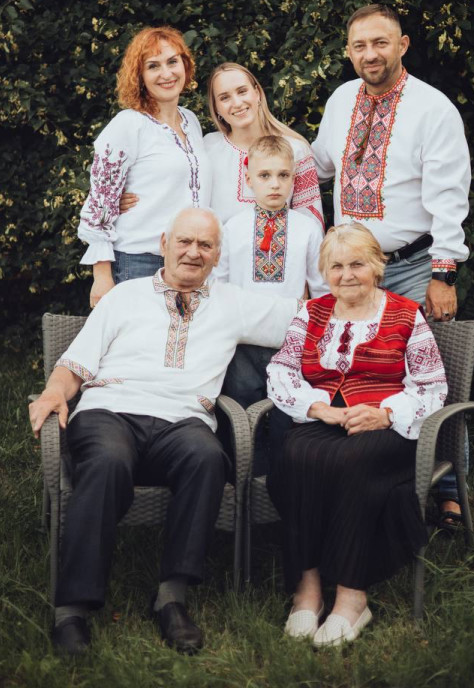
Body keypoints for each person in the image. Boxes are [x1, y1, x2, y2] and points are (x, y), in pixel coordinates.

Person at [29, 208, 299, 656]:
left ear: (217, 255)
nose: (193, 252)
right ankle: (72, 610)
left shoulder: (233, 303)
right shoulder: (125, 296)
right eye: (184, 241)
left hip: (184, 421)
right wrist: (55, 391)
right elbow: (75, 363)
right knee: (107, 461)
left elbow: (312, 317)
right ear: (164, 244)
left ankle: (172, 597)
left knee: (207, 457)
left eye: (205, 245)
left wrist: (387, 307)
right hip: (110, 411)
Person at [310, 3, 470, 526]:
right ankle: (369, 480)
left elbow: (449, 199)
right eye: (360, 45)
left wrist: (443, 274)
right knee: (352, 370)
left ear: (402, 45)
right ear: (348, 51)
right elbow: (317, 165)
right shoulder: (341, 100)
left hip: (411, 265)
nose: (370, 54)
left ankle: (448, 491)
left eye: (380, 43)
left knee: (432, 374)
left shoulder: (433, 109)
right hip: (348, 270)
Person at [266, 223, 447, 647]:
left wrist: (386, 414)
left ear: (377, 267)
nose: (346, 275)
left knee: (351, 461)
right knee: (294, 454)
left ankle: (352, 596)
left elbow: (432, 386)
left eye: (357, 265)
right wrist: (317, 408)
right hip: (327, 419)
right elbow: (281, 371)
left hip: (389, 428)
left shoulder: (406, 314)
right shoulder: (310, 314)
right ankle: (308, 588)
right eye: (336, 266)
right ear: (325, 272)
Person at [77, 26, 211, 309]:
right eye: (153, 66)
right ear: (139, 76)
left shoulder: (191, 121)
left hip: (188, 262)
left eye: (172, 62)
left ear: (185, 66)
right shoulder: (128, 124)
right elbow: (99, 205)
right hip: (139, 262)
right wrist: (102, 277)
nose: (166, 73)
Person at [215, 135, 327, 467]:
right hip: (242, 344)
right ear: (248, 179)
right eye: (265, 175)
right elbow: (218, 287)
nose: (275, 184)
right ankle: (242, 479)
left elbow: (321, 290)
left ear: (293, 178)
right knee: (241, 414)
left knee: (285, 416)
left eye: (283, 175)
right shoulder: (232, 228)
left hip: (289, 342)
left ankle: (280, 482)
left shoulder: (308, 229)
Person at [204, 62, 324, 228]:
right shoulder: (208, 147)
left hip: (283, 244)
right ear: (216, 107)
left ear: (257, 93)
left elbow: (311, 223)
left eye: (242, 91)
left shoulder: (296, 149)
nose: (237, 103)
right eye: (224, 98)